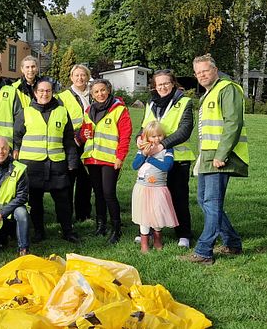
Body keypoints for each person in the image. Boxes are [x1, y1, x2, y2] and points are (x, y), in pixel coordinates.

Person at [181, 54, 248, 265]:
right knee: (205, 201)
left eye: (205, 71)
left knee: (211, 202)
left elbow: (233, 123)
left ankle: (204, 251)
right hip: (208, 157)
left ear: (215, 70)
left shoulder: (227, 89)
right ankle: (232, 242)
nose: (201, 75)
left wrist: (221, 154)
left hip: (220, 157)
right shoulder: (209, 93)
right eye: (198, 72)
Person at [13, 79, 80, 243]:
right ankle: (39, 232)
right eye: (41, 91)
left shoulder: (62, 112)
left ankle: (67, 231)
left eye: (48, 91)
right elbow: (17, 138)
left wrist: (72, 162)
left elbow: (69, 140)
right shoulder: (26, 112)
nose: (45, 94)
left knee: (63, 201)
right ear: (35, 93)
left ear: (52, 92)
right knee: (35, 202)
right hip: (32, 165)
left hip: (57, 164)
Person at [136, 69, 195, 248]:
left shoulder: (184, 102)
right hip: (152, 159)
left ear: (173, 84)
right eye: (159, 84)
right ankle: (149, 232)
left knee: (178, 197)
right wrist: (139, 139)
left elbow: (184, 130)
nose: (162, 87)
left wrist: (162, 146)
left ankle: (184, 234)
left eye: (166, 83)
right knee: (151, 197)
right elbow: (144, 127)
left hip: (177, 158)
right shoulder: (151, 103)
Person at [77, 79, 132, 244]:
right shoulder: (89, 110)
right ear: (92, 95)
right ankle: (101, 226)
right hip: (92, 159)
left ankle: (117, 229)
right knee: (98, 194)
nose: (100, 94)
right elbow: (83, 132)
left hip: (110, 160)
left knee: (109, 194)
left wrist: (120, 157)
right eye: (96, 92)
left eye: (102, 90)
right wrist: (82, 135)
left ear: (108, 90)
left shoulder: (119, 110)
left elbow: (125, 135)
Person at [131, 121, 179, 253]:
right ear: (146, 137)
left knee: (157, 214)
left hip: (158, 188)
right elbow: (134, 166)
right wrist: (144, 155)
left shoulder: (167, 149)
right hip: (142, 187)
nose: (156, 139)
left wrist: (150, 159)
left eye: (159, 136)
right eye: (153, 136)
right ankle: (144, 244)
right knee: (143, 216)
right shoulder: (143, 149)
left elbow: (167, 166)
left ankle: (158, 240)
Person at [57, 64, 93, 222]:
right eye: (76, 75)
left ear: (87, 76)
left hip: (91, 142)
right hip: (72, 143)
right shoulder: (63, 96)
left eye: (83, 75)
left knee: (86, 180)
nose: (80, 78)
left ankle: (83, 214)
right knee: (69, 179)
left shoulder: (93, 94)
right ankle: (65, 215)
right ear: (71, 77)